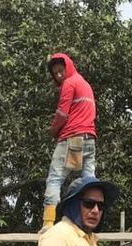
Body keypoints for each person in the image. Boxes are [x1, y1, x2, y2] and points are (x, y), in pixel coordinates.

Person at [41, 53, 97, 232]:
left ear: (68, 66)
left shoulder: (69, 83)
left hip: (72, 137)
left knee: (55, 178)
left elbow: (62, 113)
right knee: (89, 181)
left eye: (60, 70)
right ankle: (88, 223)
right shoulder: (85, 84)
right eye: (55, 73)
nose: (59, 75)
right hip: (89, 138)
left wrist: (53, 130)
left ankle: (48, 223)